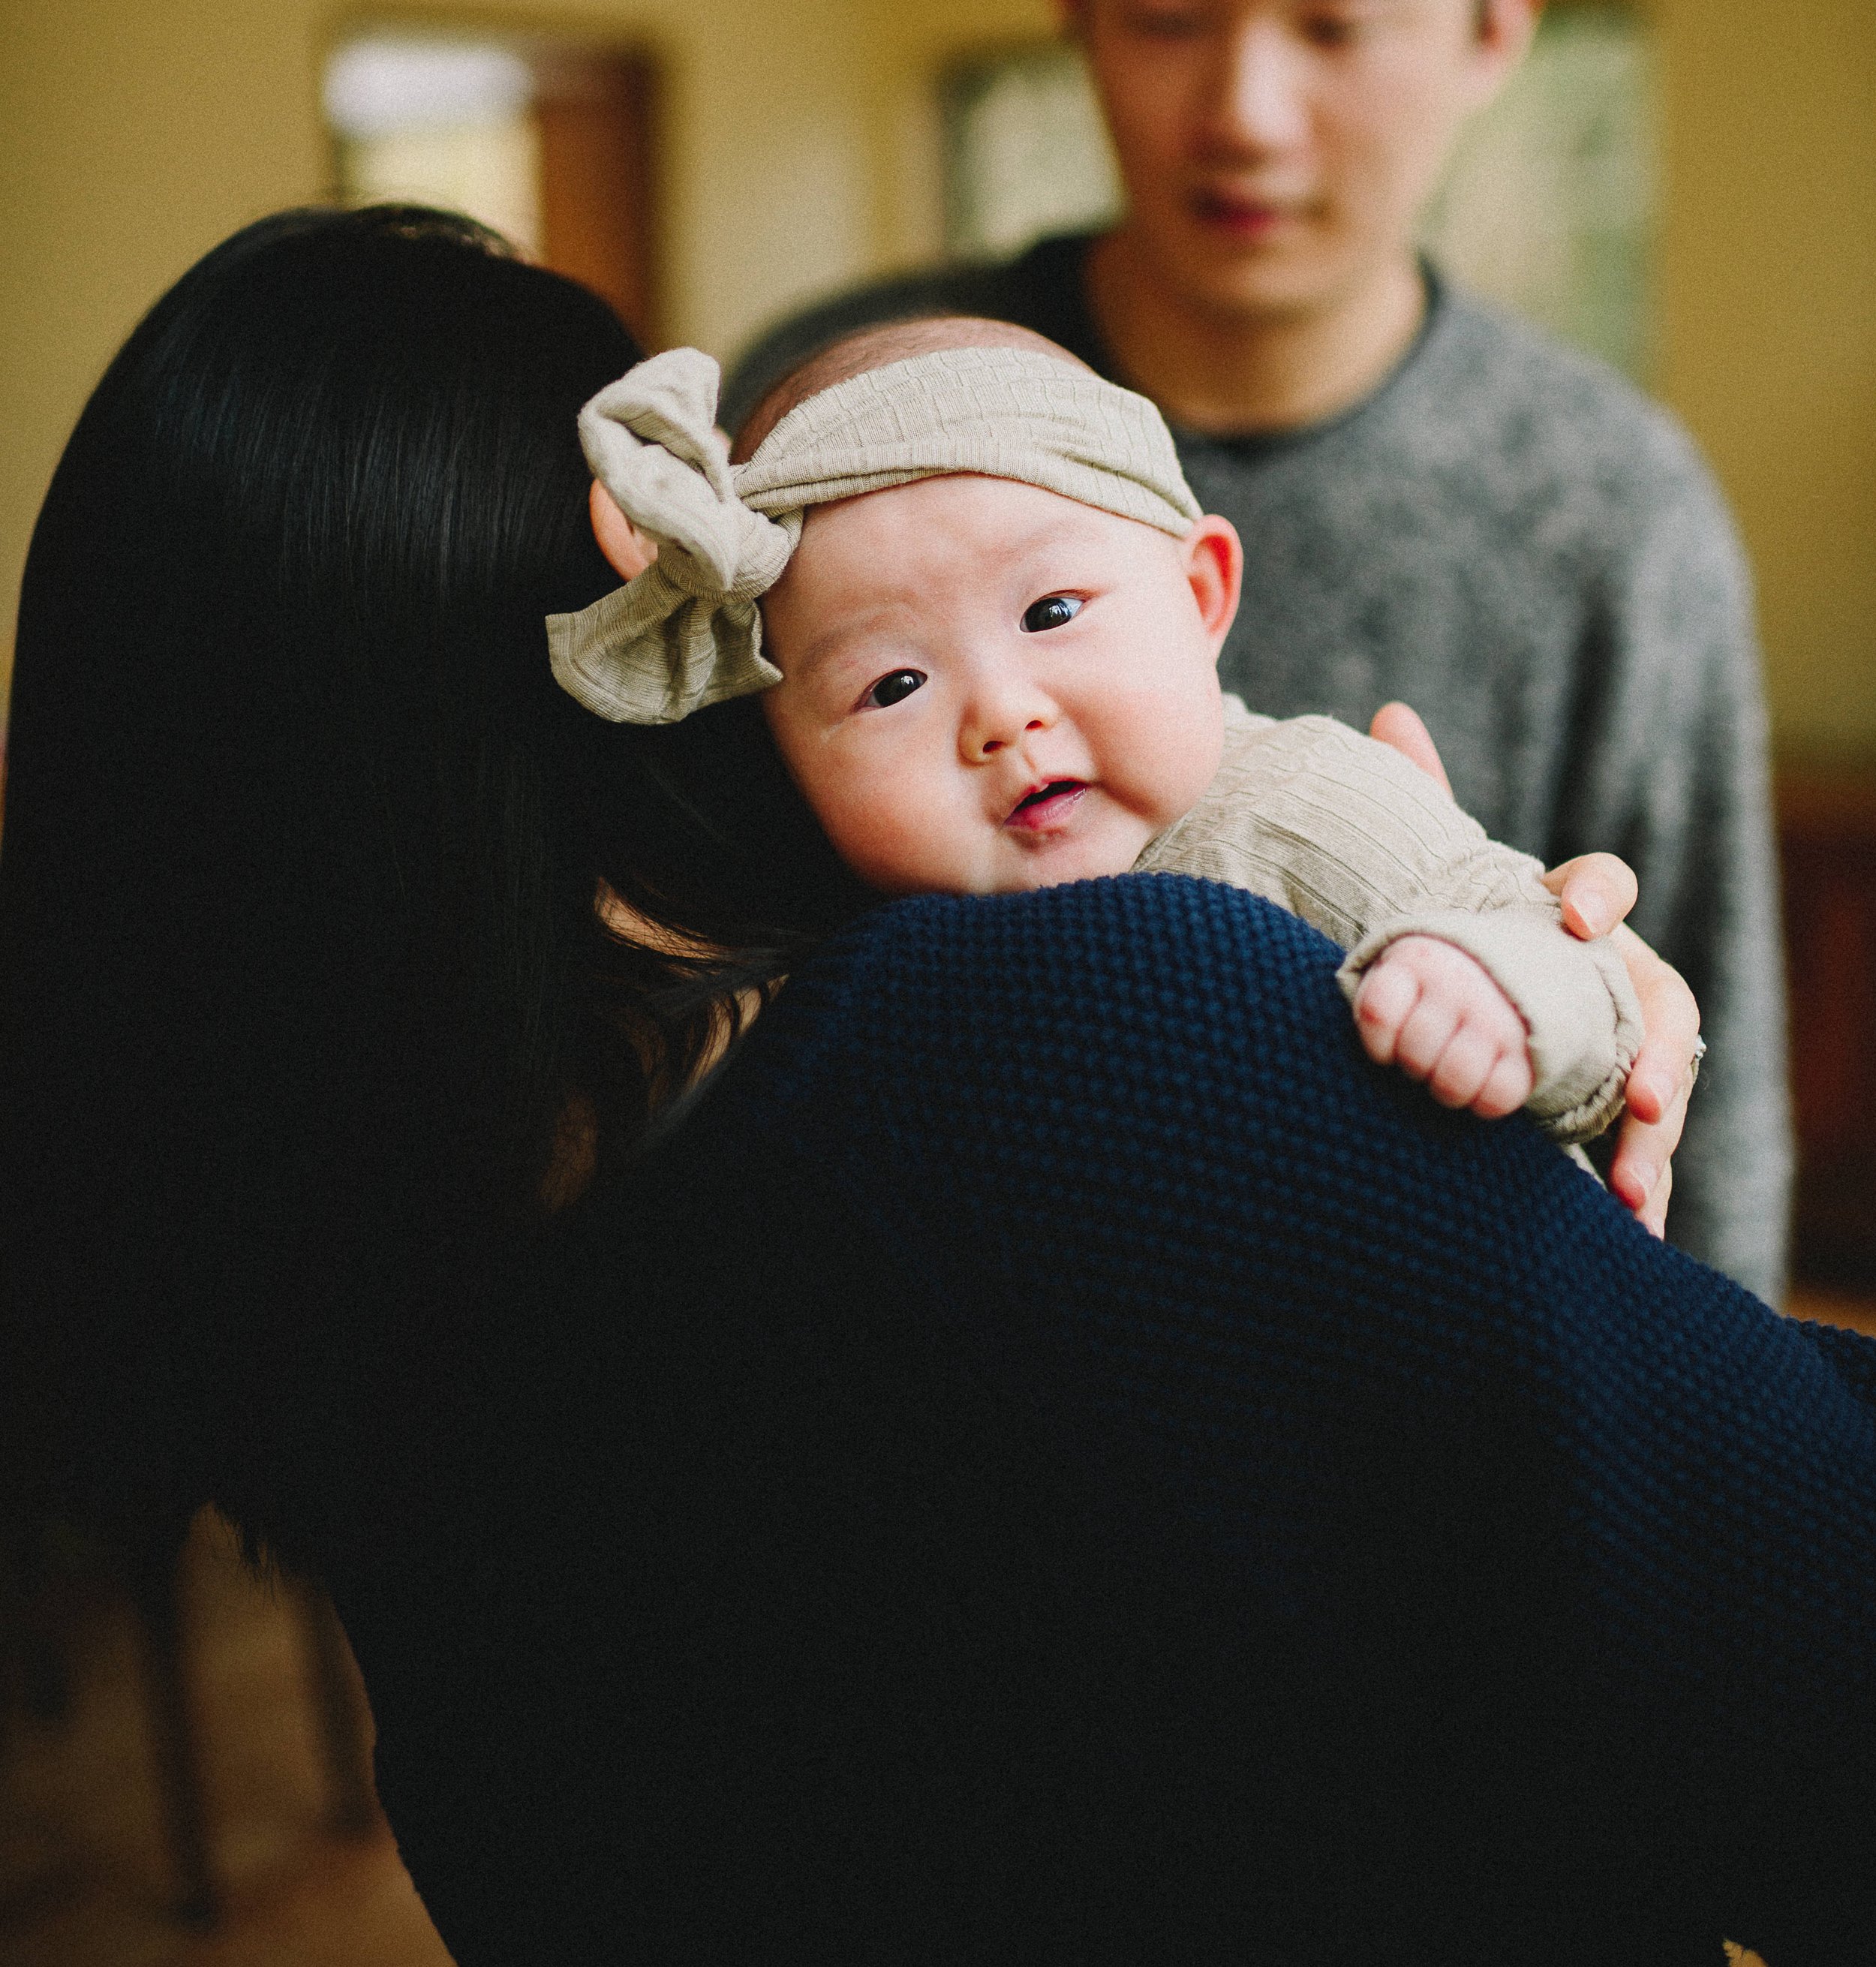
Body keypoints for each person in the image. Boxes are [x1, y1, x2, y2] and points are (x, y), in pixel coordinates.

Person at [8, 209, 1868, 1967]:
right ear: (641, 659)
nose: (995, 714)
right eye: (875, 671)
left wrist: (1460, 938)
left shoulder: (385, 1418)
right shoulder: (1084, 1050)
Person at [723, 0, 1790, 1299]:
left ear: (1495, 25)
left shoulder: (1608, 502)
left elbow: (1699, 1107)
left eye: (1336, 19)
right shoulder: (834, 426)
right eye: (1165, 12)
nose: (1244, 109)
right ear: (1072, 4)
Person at [552, 317, 1652, 1162]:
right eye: (892, 684)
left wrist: (1491, 984)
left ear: (1201, 592)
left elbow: (1588, 972)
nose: (1000, 716)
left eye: (1050, 614)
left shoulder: (1299, 804)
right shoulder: (866, 952)